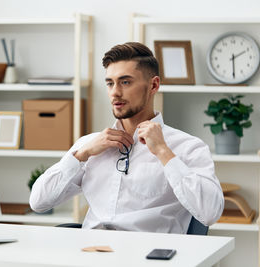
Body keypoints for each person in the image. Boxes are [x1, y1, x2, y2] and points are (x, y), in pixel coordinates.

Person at [29, 42, 224, 234]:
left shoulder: (188, 147)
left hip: (148, 257)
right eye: (110, 83)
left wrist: (163, 152)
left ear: (153, 85)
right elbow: (39, 202)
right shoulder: (89, 146)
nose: (115, 92)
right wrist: (82, 154)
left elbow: (209, 213)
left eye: (125, 82)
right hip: (91, 253)